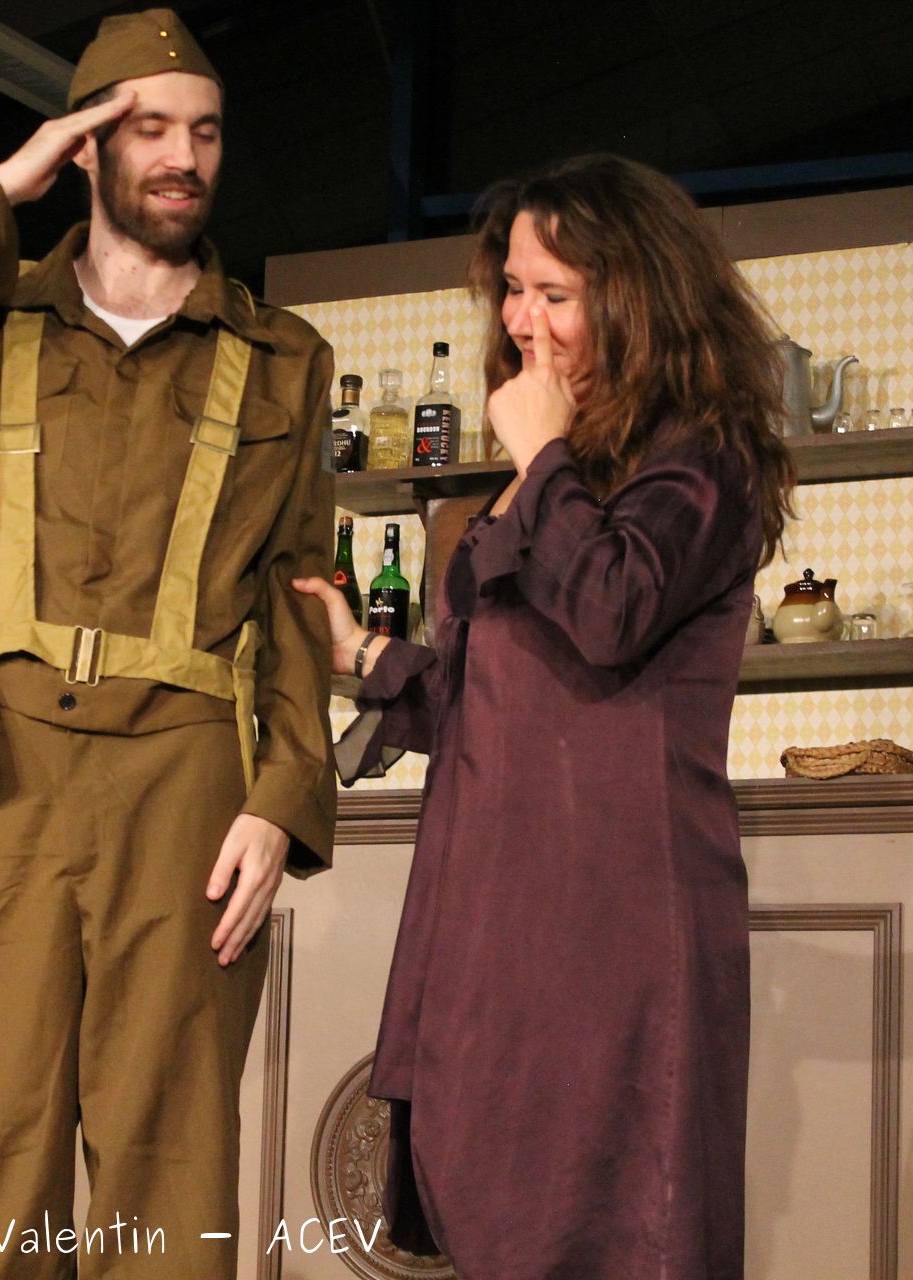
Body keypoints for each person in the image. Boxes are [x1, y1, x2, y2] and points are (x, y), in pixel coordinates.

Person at [0, 9, 336, 1277]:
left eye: (205, 132)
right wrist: (2, 187)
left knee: (168, 1164)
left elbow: (300, 587)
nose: (184, 156)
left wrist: (283, 795)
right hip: (3, 768)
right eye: (151, 129)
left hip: (187, 775)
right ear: (88, 146)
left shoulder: (281, 357)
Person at [294, 153, 795, 1279]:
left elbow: (612, 610)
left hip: (613, 926)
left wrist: (543, 454)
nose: (522, 321)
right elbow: (498, 699)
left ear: (638, 299)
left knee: (607, 1230)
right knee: (492, 1219)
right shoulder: (551, 471)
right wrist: (360, 653)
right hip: (491, 924)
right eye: (513, 289)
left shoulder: (700, 463)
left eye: (555, 294)